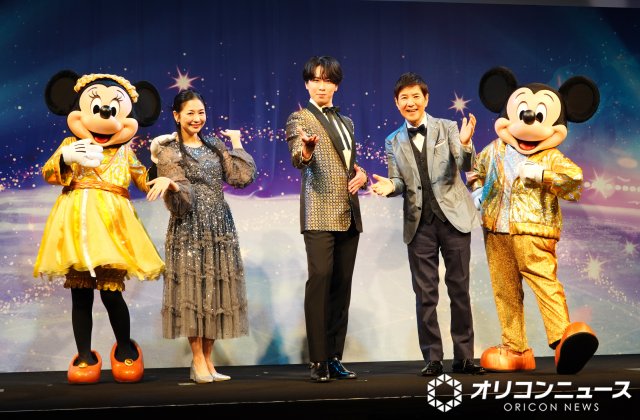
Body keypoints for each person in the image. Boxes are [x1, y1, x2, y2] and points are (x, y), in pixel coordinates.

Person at [34, 70, 168, 384]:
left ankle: (125, 348)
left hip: (111, 230)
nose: (104, 116)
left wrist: (157, 166)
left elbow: (144, 180)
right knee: (80, 294)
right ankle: (84, 355)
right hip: (77, 228)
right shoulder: (71, 143)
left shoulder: (125, 152)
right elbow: (49, 174)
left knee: (111, 294)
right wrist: (65, 158)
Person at [371, 72, 485, 376]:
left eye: (415, 96)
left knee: (459, 290)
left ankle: (464, 357)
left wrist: (465, 143)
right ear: (396, 103)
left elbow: (465, 164)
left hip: (453, 220)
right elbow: (398, 180)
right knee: (425, 294)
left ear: (426, 99)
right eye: (404, 98)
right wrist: (390, 187)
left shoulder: (447, 128)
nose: (411, 103)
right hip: (419, 224)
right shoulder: (392, 141)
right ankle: (433, 357)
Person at [146, 88, 256, 384]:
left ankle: (208, 360)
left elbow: (240, 177)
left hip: (219, 226)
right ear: (176, 116)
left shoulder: (214, 145)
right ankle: (197, 361)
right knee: (193, 292)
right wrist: (171, 185)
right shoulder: (169, 151)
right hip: (189, 227)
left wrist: (236, 143)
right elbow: (181, 199)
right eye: (190, 113)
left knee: (215, 291)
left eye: (201, 112)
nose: (197, 118)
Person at [285, 55, 368, 383]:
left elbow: (349, 164)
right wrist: (306, 151)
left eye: (328, 80)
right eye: (316, 80)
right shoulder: (299, 118)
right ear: (307, 84)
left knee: (341, 287)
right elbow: (298, 158)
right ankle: (318, 359)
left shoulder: (347, 122)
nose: (322, 86)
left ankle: (334, 357)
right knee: (320, 280)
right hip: (319, 213)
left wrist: (361, 175)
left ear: (336, 85)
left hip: (349, 213)